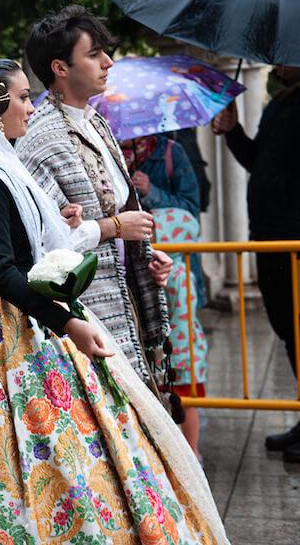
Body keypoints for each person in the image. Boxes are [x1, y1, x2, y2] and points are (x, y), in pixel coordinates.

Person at [0, 61, 228, 544]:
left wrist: (60, 222)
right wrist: (68, 324)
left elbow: (17, 248)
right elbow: (0, 271)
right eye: (23, 97)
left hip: (15, 312)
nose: (30, 106)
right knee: (8, 442)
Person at [15, 6, 174, 392]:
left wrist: (145, 255)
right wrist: (114, 227)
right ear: (60, 68)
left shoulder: (95, 122)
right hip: (84, 313)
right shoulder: (40, 138)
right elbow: (42, 244)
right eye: (94, 54)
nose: (108, 62)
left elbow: (121, 213)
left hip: (126, 300)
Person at [212, 64, 300, 461]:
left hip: (295, 239)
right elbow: (258, 163)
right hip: (268, 236)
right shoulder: (278, 104)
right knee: (287, 328)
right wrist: (233, 130)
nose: (278, 65)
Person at [122, 134, 209, 455]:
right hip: (138, 287)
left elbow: (192, 209)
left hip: (174, 303)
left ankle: (191, 453)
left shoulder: (171, 153)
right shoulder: (112, 155)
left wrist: (151, 191)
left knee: (183, 394)